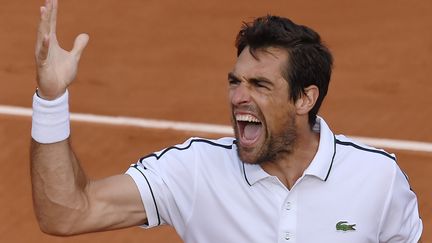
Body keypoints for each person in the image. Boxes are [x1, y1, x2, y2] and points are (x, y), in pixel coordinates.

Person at [31, 0, 423, 242]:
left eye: (260, 85)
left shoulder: (378, 178)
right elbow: (68, 212)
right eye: (235, 81)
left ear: (305, 98)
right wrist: (51, 99)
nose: (238, 97)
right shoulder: (194, 171)